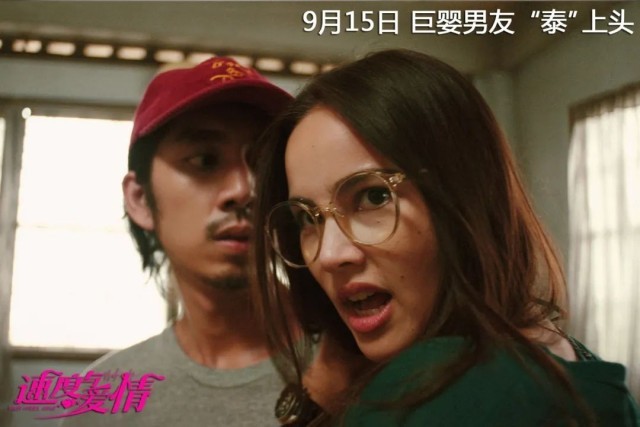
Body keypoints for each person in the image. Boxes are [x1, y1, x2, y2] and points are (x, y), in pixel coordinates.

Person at [252, 49, 640, 426]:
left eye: (373, 197)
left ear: (464, 197)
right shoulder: (567, 360)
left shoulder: (424, 393)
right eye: (306, 218)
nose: (329, 254)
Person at [60, 57, 293, 426]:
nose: (244, 190)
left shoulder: (354, 369)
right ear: (140, 199)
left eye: (263, 163)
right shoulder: (105, 399)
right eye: (205, 160)